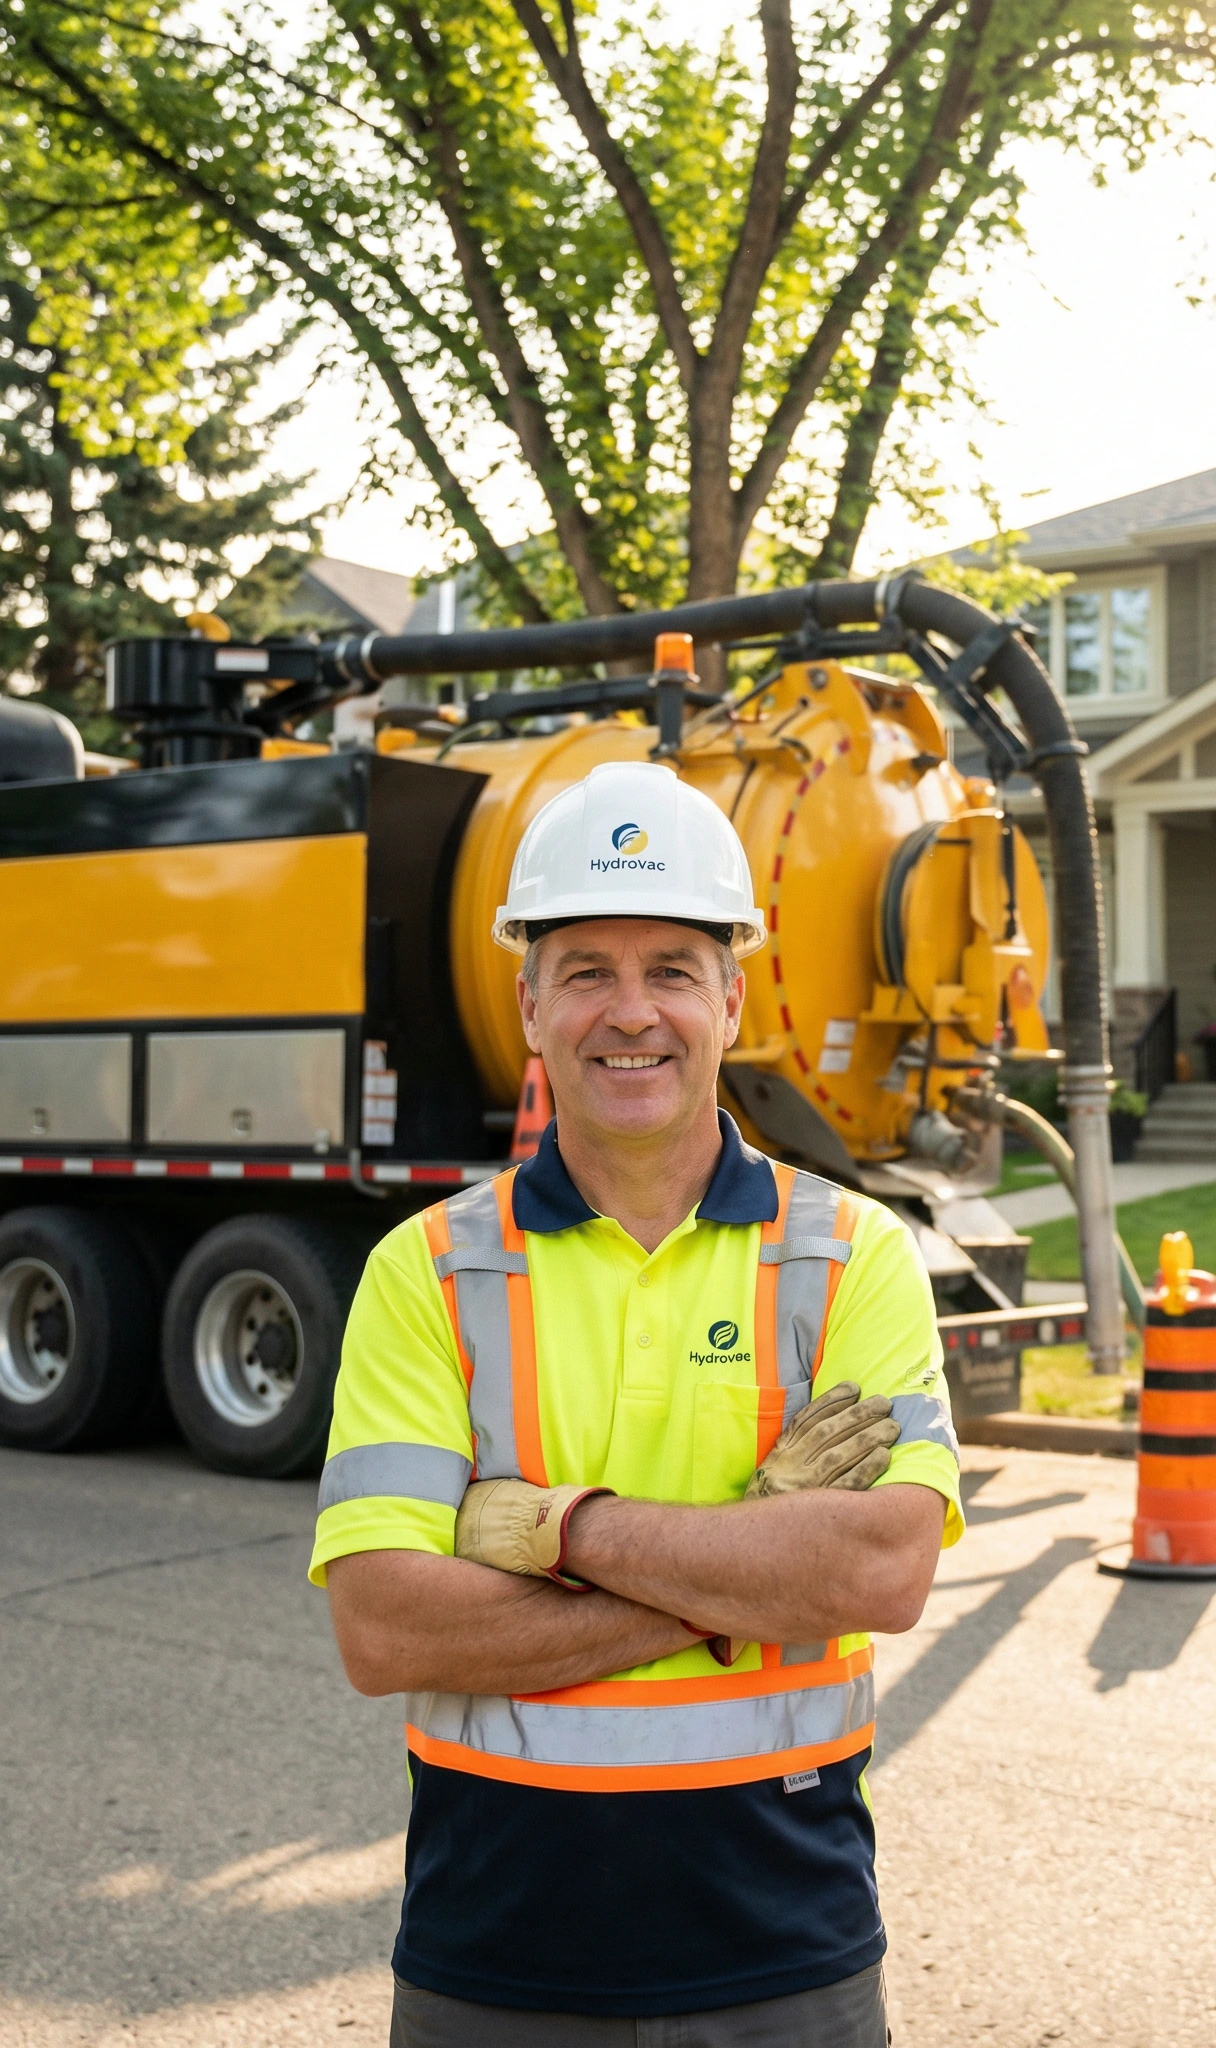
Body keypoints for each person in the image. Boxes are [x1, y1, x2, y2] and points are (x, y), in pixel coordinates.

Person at [309, 759, 962, 2045]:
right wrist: (752, 1561)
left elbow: (879, 1572)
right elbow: (385, 1630)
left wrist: (558, 1530)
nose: (631, 1012)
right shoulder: (428, 1268)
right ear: (529, 1003)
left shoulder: (852, 1254)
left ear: (732, 993)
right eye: (586, 969)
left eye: (671, 966)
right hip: (493, 1956)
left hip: (787, 1951)